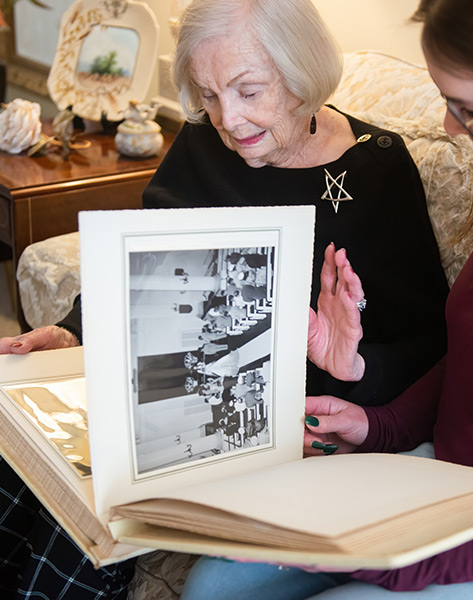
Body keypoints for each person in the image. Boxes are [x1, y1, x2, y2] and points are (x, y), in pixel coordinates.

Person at [180, 0, 473, 598]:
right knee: (216, 586)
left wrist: (410, 559)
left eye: (468, 109)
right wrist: (378, 424)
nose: (450, 128)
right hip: (460, 479)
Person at [0, 0, 449, 595]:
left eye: (247, 91)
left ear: (301, 74)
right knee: (22, 464)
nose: (229, 120)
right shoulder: (202, 142)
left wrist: (356, 367)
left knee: (86, 521)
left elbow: (431, 343)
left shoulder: (379, 169)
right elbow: (146, 268)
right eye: (209, 95)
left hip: (284, 428)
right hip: (169, 390)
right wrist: (74, 331)